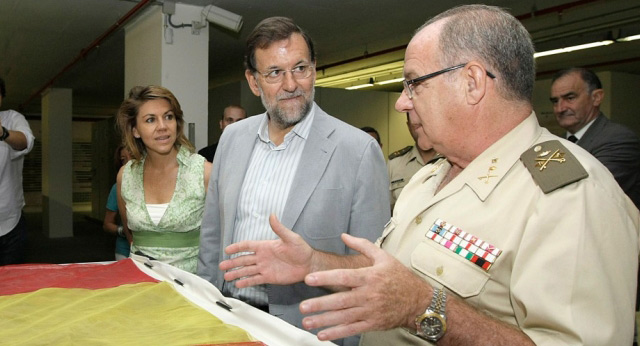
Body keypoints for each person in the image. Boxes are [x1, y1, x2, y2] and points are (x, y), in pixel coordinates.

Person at [217, 5, 640, 345]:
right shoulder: (431, 177)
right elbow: (390, 276)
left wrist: (426, 308)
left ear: (472, 82)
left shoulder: (570, 197)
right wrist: (315, 262)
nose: (402, 103)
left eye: (413, 83)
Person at [197, 17, 389, 346]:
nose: (291, 84)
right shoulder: (232, 139)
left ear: (314, 69)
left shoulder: (357, 151)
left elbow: (375, 267)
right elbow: (212, 235)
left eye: (300, 68)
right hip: (228, 317)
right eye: (274, 73)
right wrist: (205, 310)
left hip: (305, 330)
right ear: (254, 82)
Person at [116, 85, 212, 274]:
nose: (162, 126)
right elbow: (130, 235)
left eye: (168, 117)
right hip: (140, 283)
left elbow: (220, 237)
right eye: (151, 120)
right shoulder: (126, 176)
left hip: (192, 286)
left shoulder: (204, 172)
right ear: (135, 130)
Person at [550, 67, 640, 208]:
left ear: (596, 98)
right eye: (555, 101)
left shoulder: (618, 139)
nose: (560, 108)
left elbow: (590, 194)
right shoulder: (555, 144)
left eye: (570, 98)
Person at [0, 77, 35, 266]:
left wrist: (3, 133)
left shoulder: (12, 118)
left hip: (10, 224)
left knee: (13, 287)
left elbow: (25, 142)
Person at [387, 112, 439, 210]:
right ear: (409, 126)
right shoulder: (395, 163)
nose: (421, 128)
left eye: (424, 122)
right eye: (416, 124)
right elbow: (387, 209)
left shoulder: (451, 160)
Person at [103, 145, 132, 260]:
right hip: (125, 250)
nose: (129, 162)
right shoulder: (117, 188)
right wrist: (122, 230)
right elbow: (107, 224)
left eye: (133, 157)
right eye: (124, 159)